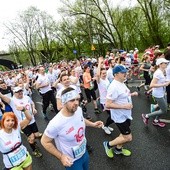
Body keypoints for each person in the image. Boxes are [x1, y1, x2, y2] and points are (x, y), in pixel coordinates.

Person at [41, 87, 103, 170]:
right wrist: (61, 156)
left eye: (77, 99)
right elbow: (45, 141)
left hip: (84, 152)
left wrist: (93, 124)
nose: (76, 103)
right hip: (72, 161)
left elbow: (81, 119)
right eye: (72, 100)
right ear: (64, 102)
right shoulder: (55, 123)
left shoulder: (78, 110)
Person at [103, 65, 138, 158]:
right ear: (116, 74)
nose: (125, 74)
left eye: (125, 72)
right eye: (123, 73)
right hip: (120, 117)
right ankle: (108, 144)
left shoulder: (121, 82)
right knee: (128, 137)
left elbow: (123, 95)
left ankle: (118, 149)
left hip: (126, 114)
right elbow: (108, 104)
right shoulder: (113, 86)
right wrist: (124, 106)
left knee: (123, 134)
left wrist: (131, 94)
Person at [142, 58, 170, 127]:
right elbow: (152, 85)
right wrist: (164, 84)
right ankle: (146, 116)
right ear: (160, 64)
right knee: (164, 110)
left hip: (162, 93)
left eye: (167, 63)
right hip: (158, 94)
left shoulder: (163, 71)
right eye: (165, 63)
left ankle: (156, 121)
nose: (167, 64)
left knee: (163, 108)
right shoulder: (158, 73)